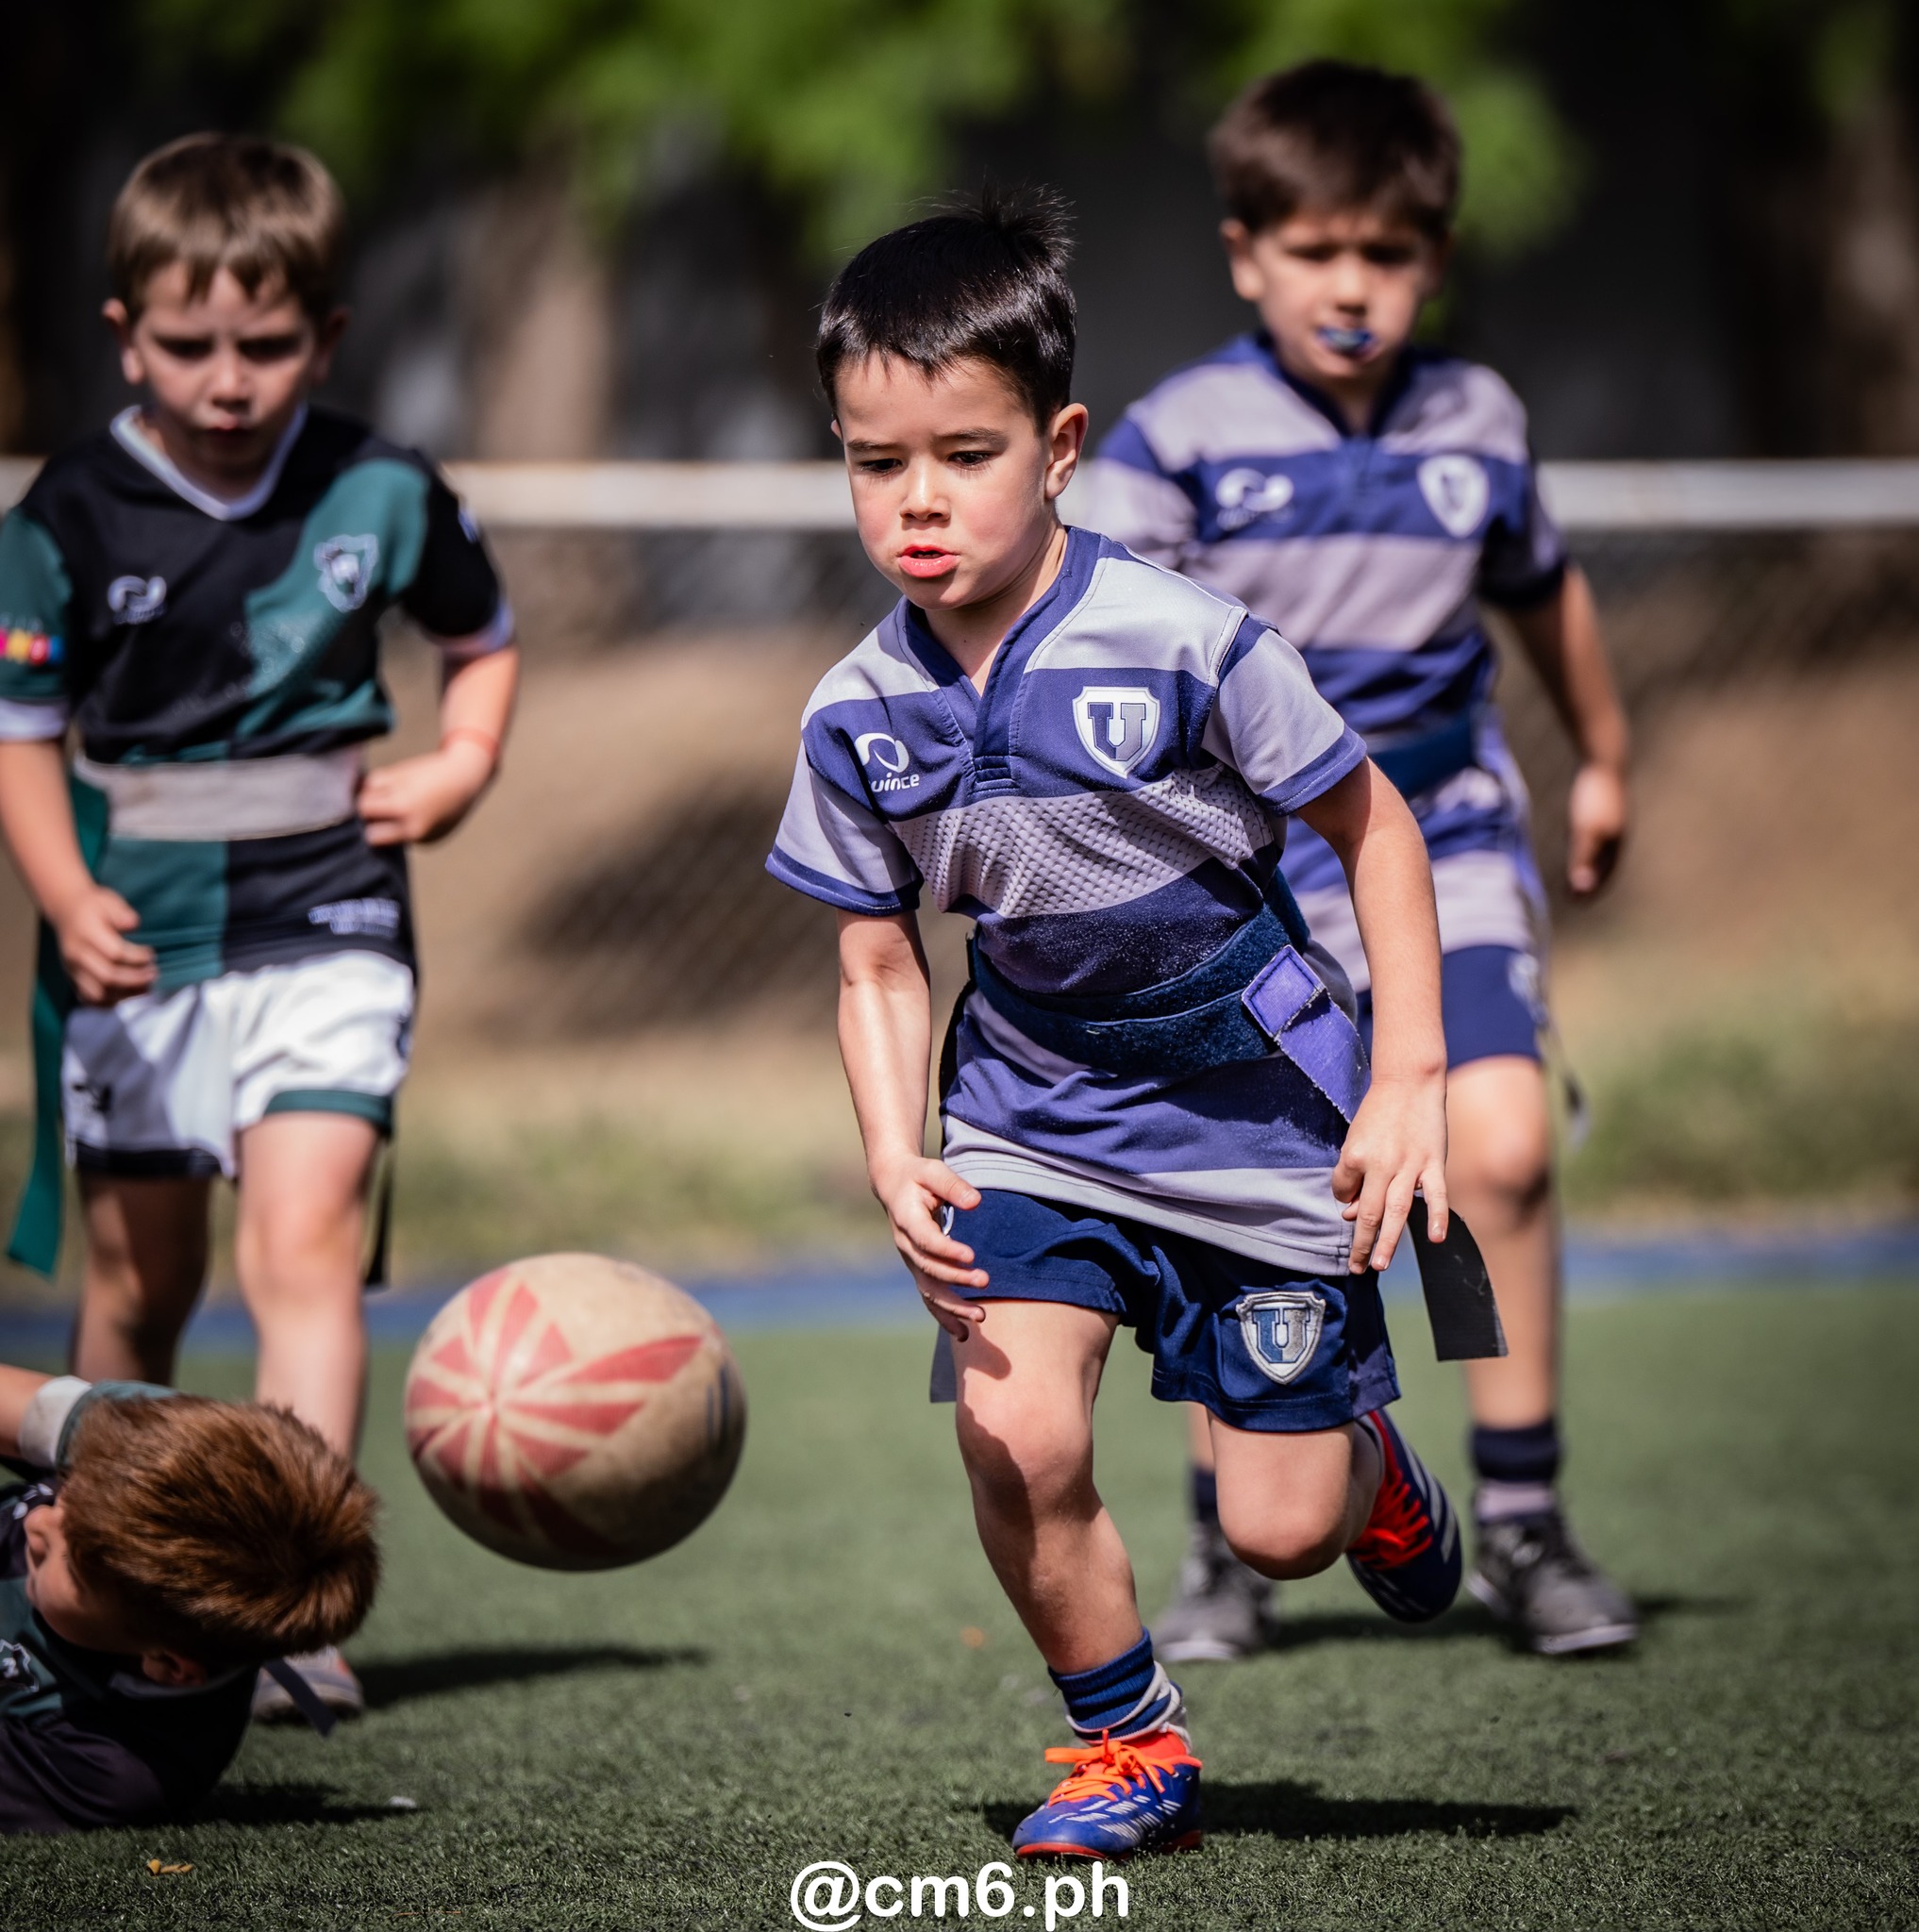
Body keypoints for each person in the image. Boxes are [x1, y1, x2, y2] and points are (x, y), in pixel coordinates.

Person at [768, 189, 1462, 1860]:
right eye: (875, 462)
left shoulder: (1184, 641)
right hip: (1030, 1115)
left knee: (1280, 1531)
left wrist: (1408, 1078)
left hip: (1255, 1117)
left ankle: (1362, 1458)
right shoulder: (854, 714)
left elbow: (1373, 829)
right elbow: (877, 965)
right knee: (1014, 1426)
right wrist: (892, 1146)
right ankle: (1126, 1743)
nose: (916, 498)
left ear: (1059, 444)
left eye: (962, 450)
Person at [1075, 59, 1637, 1660]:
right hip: (1248, 876)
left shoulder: (1476, 423)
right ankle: (1222, 1550)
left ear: (1430, 263)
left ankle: (1522, 1523)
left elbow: (1544, 592)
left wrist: (1599, 753)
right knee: (1234, 1192)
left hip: (1444, 834)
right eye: (1312, 251)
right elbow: (1109, 644)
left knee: (1503, 1143)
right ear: (1243, 253)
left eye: (1381, 255)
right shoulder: (1174, 436)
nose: (1348, 286)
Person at [0, 134, 516, 1716]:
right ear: (124, 332)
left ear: (329, 333)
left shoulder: (381, 485)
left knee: (301, 1247)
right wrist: (68, 896)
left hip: (331, 911)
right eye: (190, 344)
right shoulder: (69, 510)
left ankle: (291, 1617)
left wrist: (459, 764)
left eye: (268, 343)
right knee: (139, 1287)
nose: (229, 379)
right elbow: (21, 731)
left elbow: (480, 636)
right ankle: (118, 1573)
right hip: (140, 933)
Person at [0, 1367, 378, 1832]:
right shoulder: (153, 1440)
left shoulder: (114, 1766)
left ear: (168, 1665)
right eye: (63, 1493)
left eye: (71, 1563)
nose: (36, 1523)